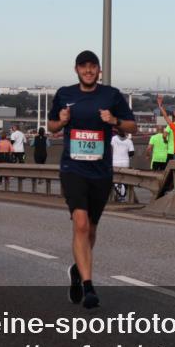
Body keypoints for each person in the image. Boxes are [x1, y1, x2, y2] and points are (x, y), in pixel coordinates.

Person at [47, 50, 136, 309]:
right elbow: (51, 126)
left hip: (101, 171)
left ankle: (77, 270)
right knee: (81, 224)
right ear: (76, 69)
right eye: (83, 66)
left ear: (99, 70)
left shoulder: (111, 95)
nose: (88, 70)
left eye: (92, 66)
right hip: (72, 169)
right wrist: (60, 121)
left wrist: (115, 120)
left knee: (92, 230)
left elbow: (132, 127)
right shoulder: (65, 94)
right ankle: (88, 287)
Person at [110, 132, 135, 202]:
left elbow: (109, 147)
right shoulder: (129, 141)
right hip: (125, 163)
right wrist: (125, 155)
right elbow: (132, 153)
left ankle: (118, 193)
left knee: (115, 179)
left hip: (115, 162)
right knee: (124, 179)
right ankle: (122, 196)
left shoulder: (113, 139)